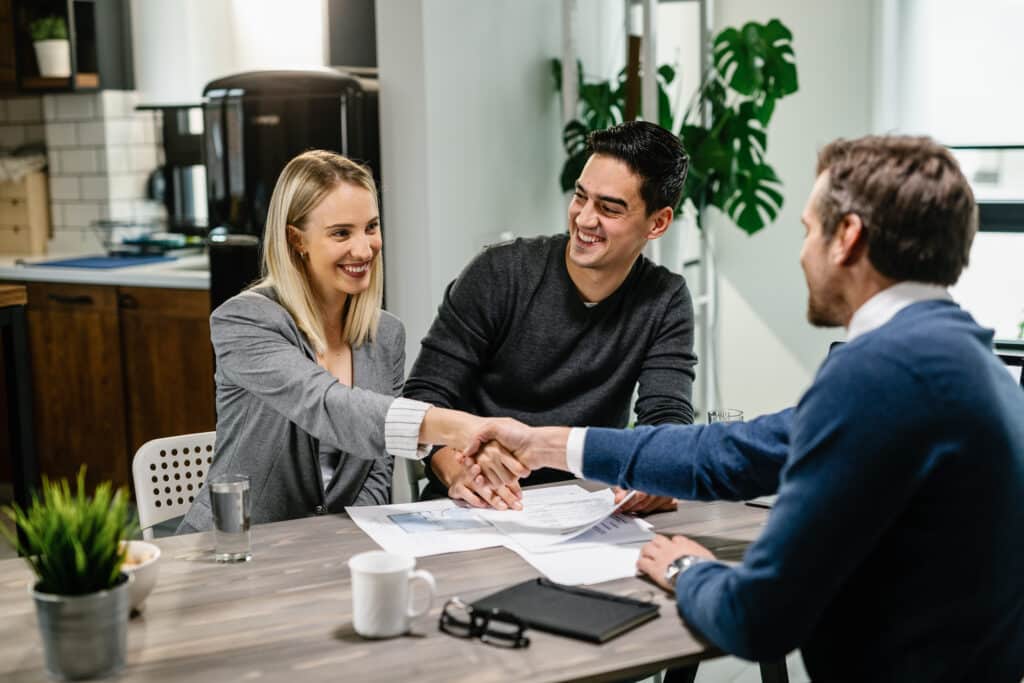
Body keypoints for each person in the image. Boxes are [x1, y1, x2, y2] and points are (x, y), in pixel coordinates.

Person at [464, 136, 1024, 681]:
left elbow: (758, 618)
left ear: (847, 237)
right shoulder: (960, 359)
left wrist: (686, 569)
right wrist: (548, 442)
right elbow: (736, 452)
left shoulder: (882, 373)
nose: (802, 253)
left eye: (808, 231)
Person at [178, 151, 520, 532]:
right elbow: (326, 405)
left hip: (326, 556)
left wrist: (349, 544)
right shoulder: (245, 321)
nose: (364, 249)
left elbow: (376, 473)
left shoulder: (386, 335)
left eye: (371, 227)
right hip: (234, 549)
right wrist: (457, 426)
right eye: (341, 233)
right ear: (297, 240)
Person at [403, 121, 697, 513]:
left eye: (609, 208)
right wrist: (456, 470)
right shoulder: (499, 273)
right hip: (474, 507)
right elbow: (423, 399)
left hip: (585, 510)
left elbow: (666, 414)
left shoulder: (665, 298)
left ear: (657, 222)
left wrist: (657, 472)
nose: (584, 219)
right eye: (580, 197)